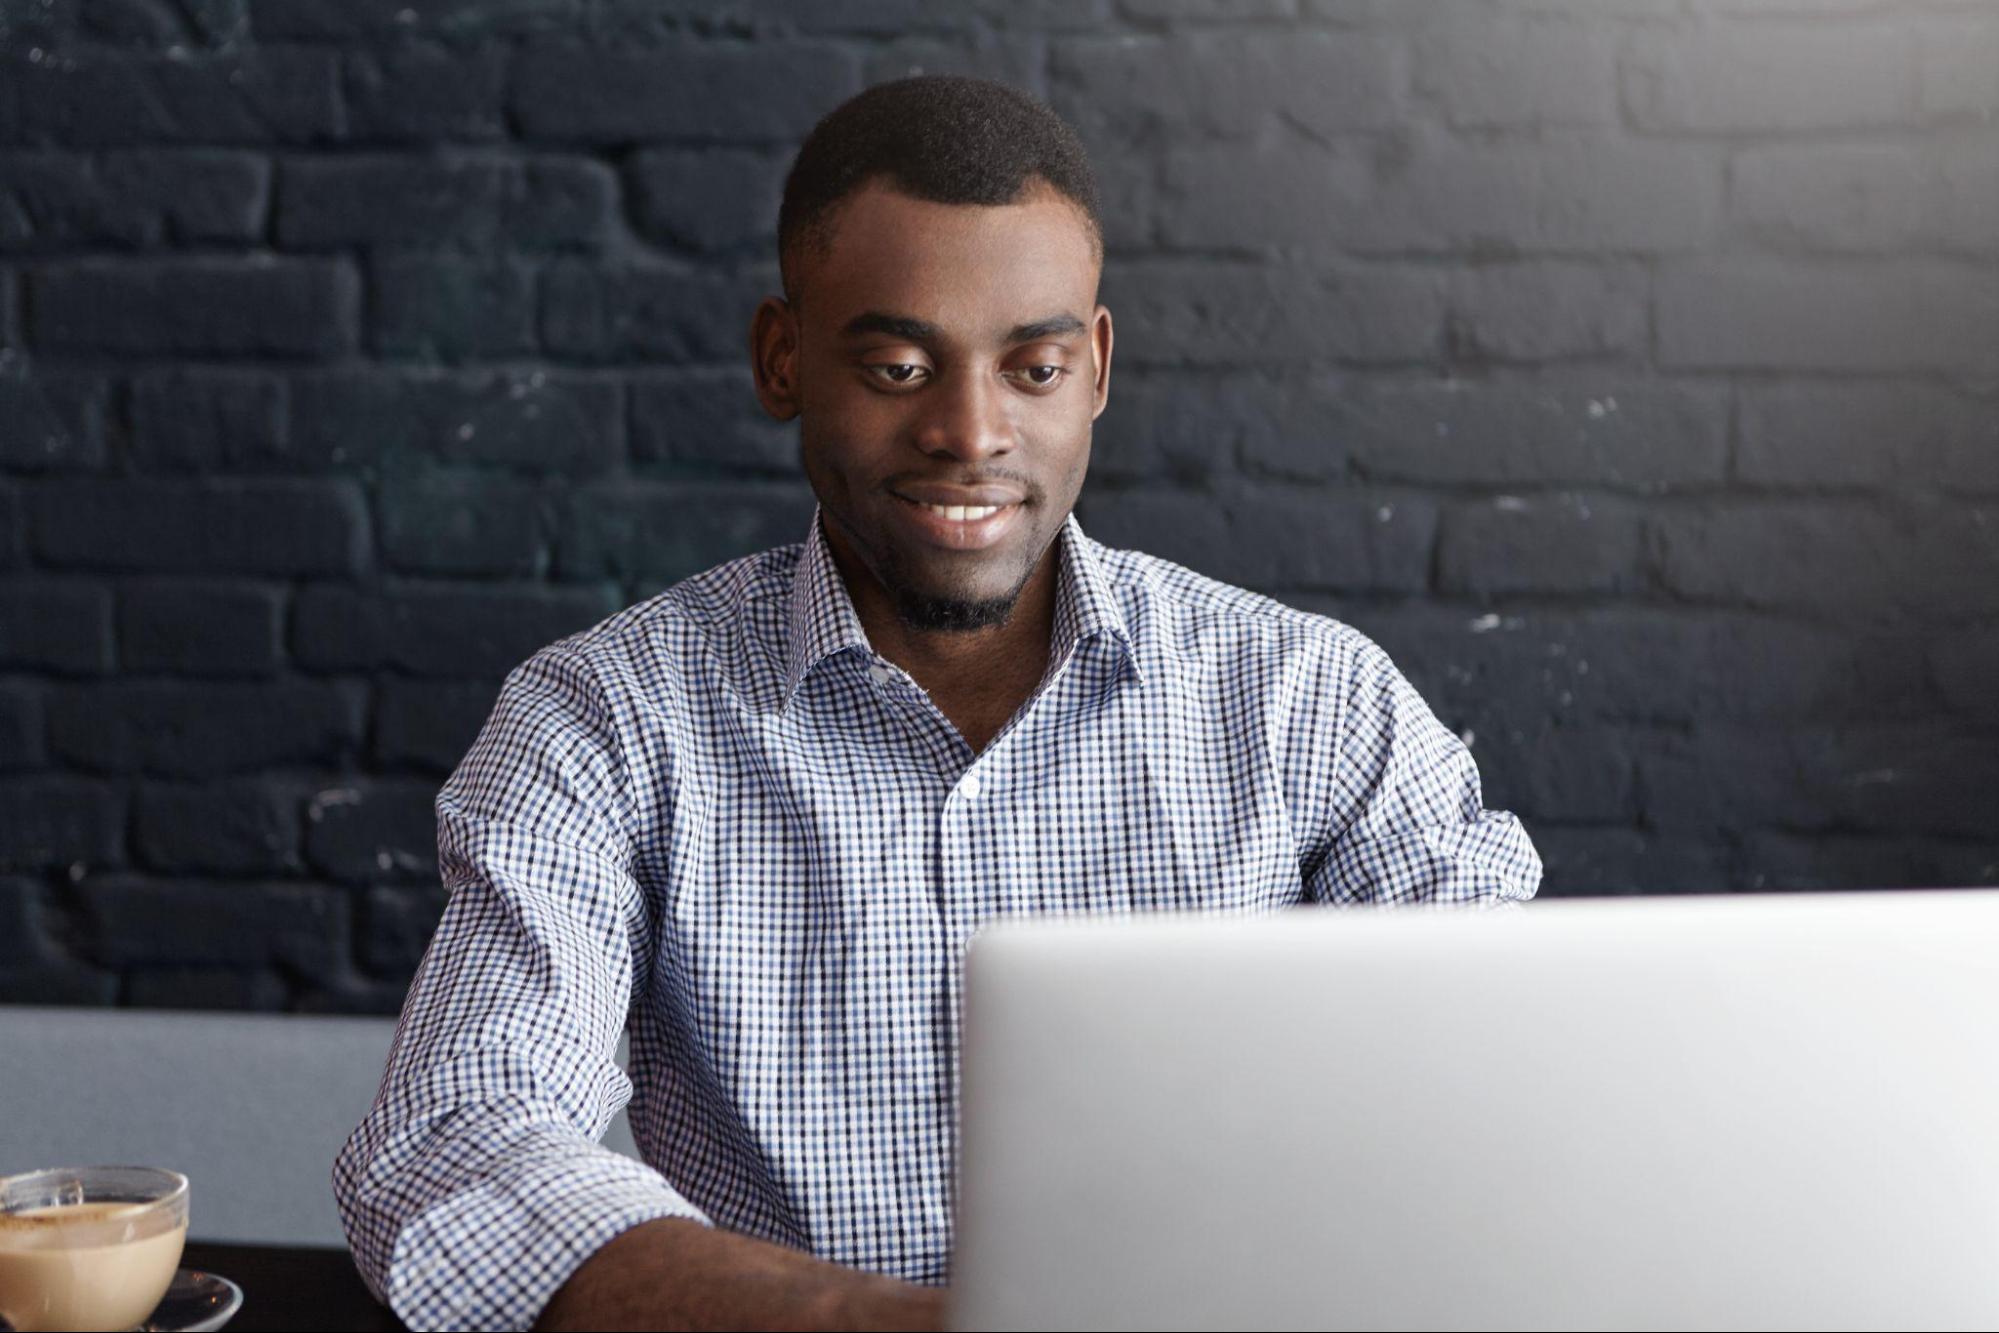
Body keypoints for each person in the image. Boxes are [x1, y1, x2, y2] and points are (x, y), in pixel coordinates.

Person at [333, 75, 1541, 1333]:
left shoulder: (1311, 704)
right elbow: (457, 1145)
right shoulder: (603, 722)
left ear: (1097, 371)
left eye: (1033, 366)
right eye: (901, 365)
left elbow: (1514, 1085)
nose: (970, 431)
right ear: (782, 360)